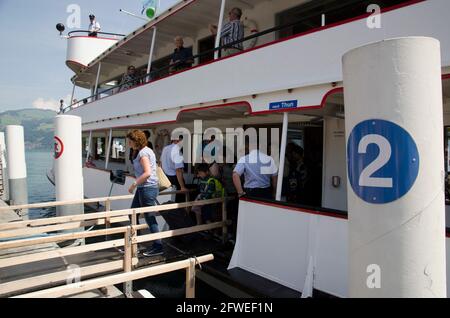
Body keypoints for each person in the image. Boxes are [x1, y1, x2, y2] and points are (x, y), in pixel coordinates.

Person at [126, 129, 163, 257]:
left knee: (149, 217)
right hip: (144, 188)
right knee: (133, 214)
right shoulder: (143, 151)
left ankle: (158, 246)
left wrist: (134, 184)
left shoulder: (143, 153)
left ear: (136, 141)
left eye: (130, 141)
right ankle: (136, 242)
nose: (128, 143)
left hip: (147, 188)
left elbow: (147, 173)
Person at [160, 134, 187, 202]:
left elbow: (160, 164)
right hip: (174, 179)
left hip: (165, 178)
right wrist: (182, 187)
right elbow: (178, 170)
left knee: (167, 200)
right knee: (179, 201)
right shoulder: (177, 151)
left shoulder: (165, 148)